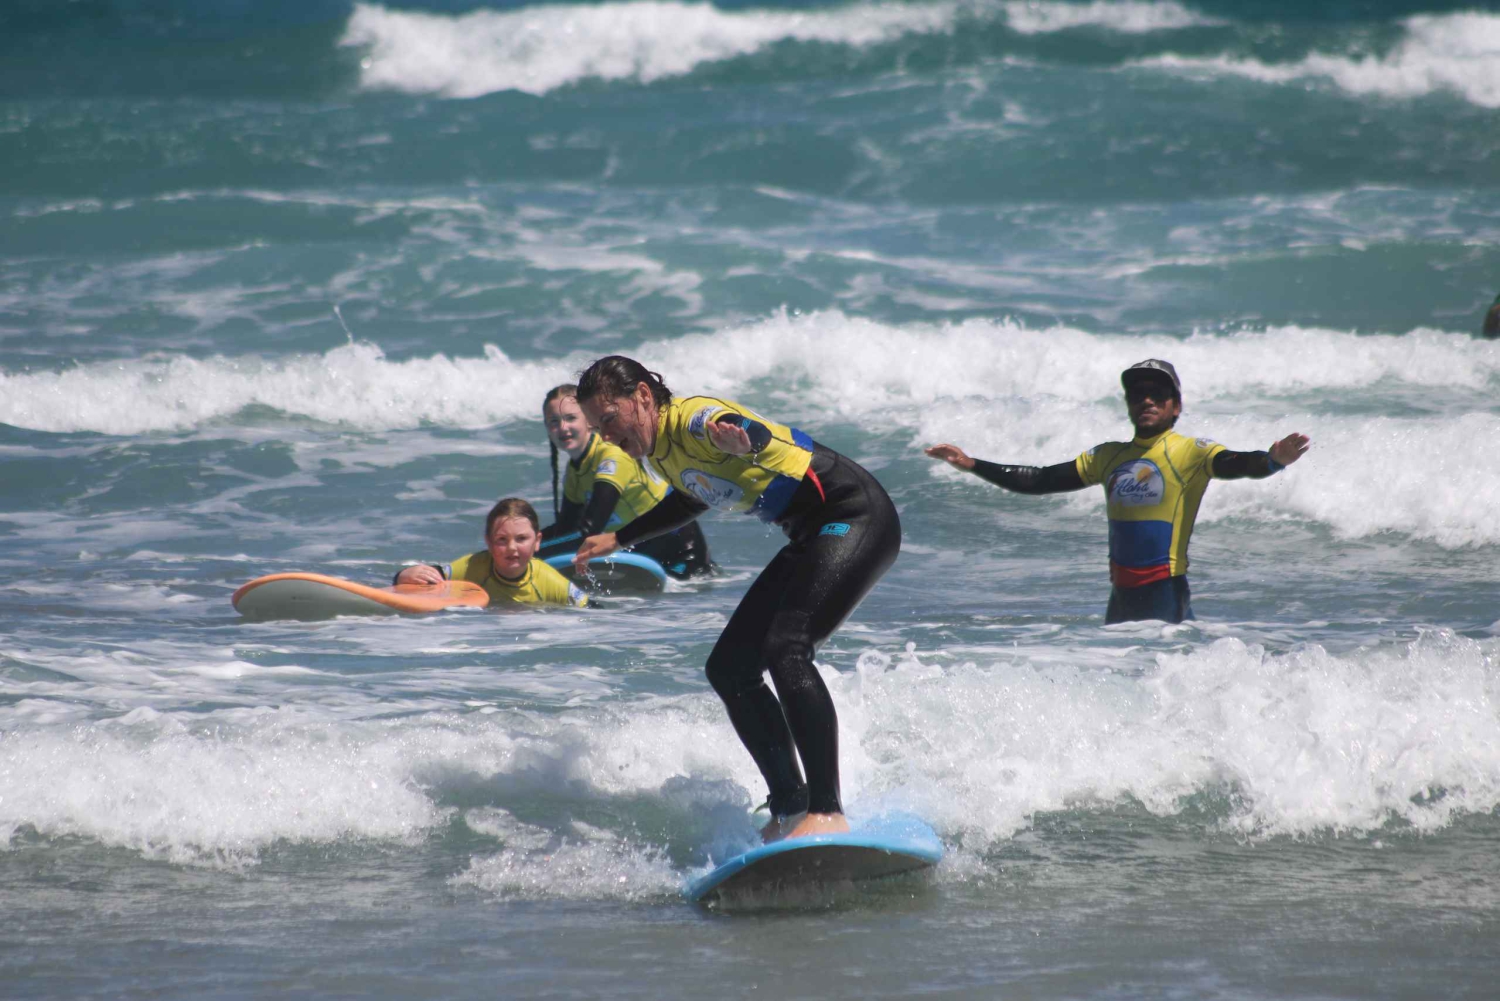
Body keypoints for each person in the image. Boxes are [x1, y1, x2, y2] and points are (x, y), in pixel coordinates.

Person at [570, 356, 900, 840]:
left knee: (786, 649)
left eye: (610, 419)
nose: (606, 435)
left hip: (855, 516)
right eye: (598, 427)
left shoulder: (694, 418)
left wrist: (744, 438)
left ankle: (828, 812)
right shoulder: (660, 452)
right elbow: (692, 497)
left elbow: (739, 428)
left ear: (643, 397)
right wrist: (619, 539)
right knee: (729, 668)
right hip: (811, 535)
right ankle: (791, 805)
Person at [925, 359, 1310, 624]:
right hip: (1120, 595)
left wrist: (1272, 460)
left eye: (1158, 394)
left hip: (1166, 589)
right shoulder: (1107, 457)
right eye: (1137, 394)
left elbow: (1236, 463)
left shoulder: (1192, 452)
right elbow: (1040, 480)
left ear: (1176, 407)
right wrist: (972, 463)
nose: (1146, 400)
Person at [536, 384, 712, 579]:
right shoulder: (575, 470)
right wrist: (521, 542)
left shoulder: (612, 456)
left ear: (588, 420)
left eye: (571, 418)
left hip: (680, 552)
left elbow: (588, 531)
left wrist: (531, 552)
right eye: (553, 421)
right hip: (639, 551)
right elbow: (566, 529)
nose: (562, 428)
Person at [396, 497, 587, 608]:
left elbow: (592, 611)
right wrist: (403, 575)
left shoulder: (550, 581)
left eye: (521, 539)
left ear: (537, 542)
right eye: (502, 540)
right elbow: (433, 576)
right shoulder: (473, 566)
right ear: (488, 542)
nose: (512, 547)